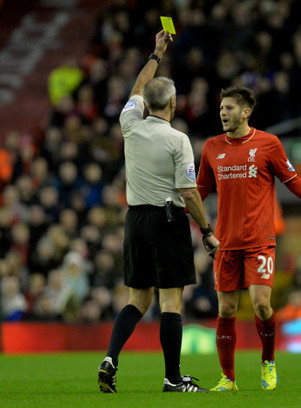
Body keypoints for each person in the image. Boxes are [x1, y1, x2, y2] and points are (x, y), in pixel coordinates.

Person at [196, 86, 301, 391]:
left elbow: (292, 180)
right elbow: (199, 191)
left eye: (229, 108)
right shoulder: (212, 147)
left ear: (246, 112)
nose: (223, 113)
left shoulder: (267, 143)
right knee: (225, 310)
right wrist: (176, 208)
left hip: (259, 240)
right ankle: (228, 379)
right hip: (225, 242)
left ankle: (268, 362)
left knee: (261, 305)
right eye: (221, 108)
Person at [97, 30, 219, 393]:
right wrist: (207, 230)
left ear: (146, 104)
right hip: (168, 220)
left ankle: (110, 358)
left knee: (137, 299)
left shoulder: (129, 124)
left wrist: (155, 54)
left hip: (135, 220)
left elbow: (137, 89)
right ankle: (172, 378)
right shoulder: (178, 139)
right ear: (174, 103)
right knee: (170, 302)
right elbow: (188, 192)